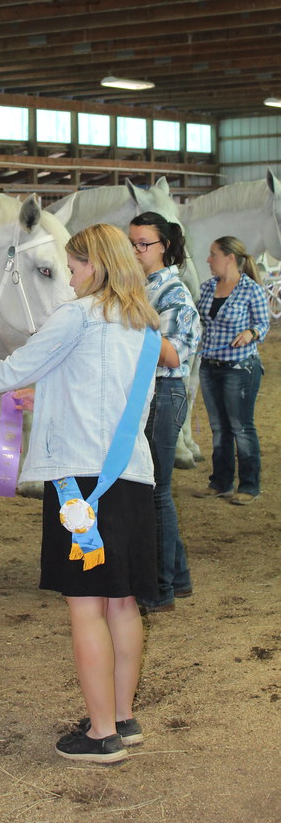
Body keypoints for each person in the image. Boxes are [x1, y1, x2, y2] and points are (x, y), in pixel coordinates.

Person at [0, 224, 161, 765]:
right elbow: (112, 397)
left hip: (80, 486)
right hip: (130, 477)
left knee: (86, 609)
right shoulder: (144, 327)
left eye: (73, 268)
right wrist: (48, 395)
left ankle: (100, 734)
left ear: (94, 265)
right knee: (122, 603)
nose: (69, 279)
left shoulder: (77, 316)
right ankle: (122, 718)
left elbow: (16, 367)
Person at [128, 213, 201, 612]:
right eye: (132, 243)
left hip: (163, 393)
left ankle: (159, 590)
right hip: (145, 395)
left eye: (144, 244)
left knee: (155, 491)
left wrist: (131, 320)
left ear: (165, 247)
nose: (136, 250)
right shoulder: (139, 287)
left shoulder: (174, 293)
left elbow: (173, 355)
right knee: (154, 489)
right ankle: (179, 576)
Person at [194, 235, 269, 504]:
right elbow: (198, 323)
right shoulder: (206, 288)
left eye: (213, 254)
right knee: (219, 427)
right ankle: (220, 482)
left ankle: (249, 485)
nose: (208, 259)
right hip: (209, 366)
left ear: (229, 258)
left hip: (240, 368)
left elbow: (263, 324)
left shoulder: (251, 290)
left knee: (241, 427)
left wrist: (251, 332)